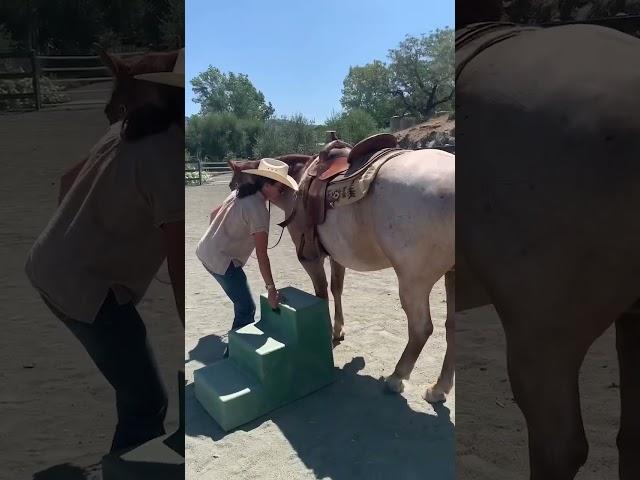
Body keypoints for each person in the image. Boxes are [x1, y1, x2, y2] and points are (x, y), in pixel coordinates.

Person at [24, 49, 185, 453]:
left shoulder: (128, 128)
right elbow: (179, 266)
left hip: (48, 264)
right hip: (90, 290)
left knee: (134, 384)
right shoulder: (168, 157)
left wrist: (87, 230)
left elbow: (65, 183)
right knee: (147, 402)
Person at [196, 158, 299, 357]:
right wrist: (271, 290)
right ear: (267, 185)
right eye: (281, 189)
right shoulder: (259, 210)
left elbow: (212, 214)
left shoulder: (240, 192)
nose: (282, 193)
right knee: (246, 308)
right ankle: (234, 356)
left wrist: (222, 237)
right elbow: (262, 254)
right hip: (221, 261)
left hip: (206, 251)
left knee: (241, 302)